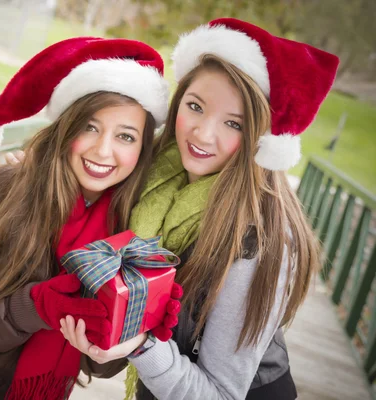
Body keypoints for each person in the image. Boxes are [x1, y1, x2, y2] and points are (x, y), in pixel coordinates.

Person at [57, 18, 339, 399]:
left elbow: (222, 393)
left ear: (261, 137)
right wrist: (42, 172)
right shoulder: (158, 173)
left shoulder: (260, 240)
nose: (203, 134)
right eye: (195, 106)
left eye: (233, 124)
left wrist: (139, 345)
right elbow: (98, 177)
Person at [0, 37, 183, 400]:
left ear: (141, 151)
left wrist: (130, 326)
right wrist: (33, 307)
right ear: (67, 126)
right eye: (90, 127)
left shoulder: (125, 229)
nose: (103, 150)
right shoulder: (3, 192)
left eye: (125, 136)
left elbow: (98, 365)